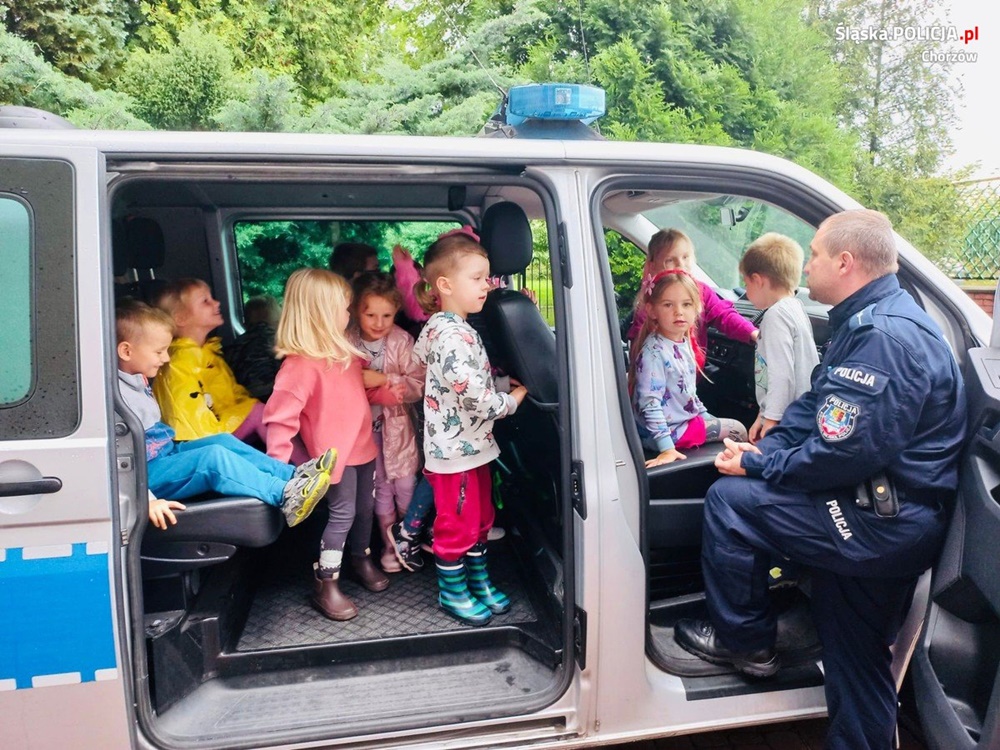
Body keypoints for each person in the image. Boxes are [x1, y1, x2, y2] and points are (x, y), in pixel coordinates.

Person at [673, 210, 967, 750]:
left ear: (846, 262)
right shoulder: (871, 320)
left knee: (731, 502)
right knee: (855, 656)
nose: (806, 266)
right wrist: (762, 448)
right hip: (878, 513)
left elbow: (839, 454)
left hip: (877, 524)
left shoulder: (886, 339)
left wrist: (757, 467)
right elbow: (815, 411)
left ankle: (748, 643)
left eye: (814, 255)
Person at [115, 300, 334, 530]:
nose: (167, 358)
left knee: (222, 441)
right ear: (126, 351)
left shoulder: (135, 380)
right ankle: (284, 494)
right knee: (212, 457)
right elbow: (116, 463)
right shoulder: (117, 400)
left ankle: (292, 475)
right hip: (144, 477)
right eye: (159, 352)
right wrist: (147, 501)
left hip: (164, 454)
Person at [264, 268, 393, 622]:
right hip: (334, 458)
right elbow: (280, 418)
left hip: (365, 447)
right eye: (344, 308)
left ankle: (361, 557)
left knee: (365, 510)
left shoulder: (345, 354)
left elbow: (358, 394)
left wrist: (391, 390)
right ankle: (327, 582)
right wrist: (276, 470)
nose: (349, 315)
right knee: (343, 514)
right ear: (320, 314)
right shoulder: (300, 366)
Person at [413, 232, 528, 626]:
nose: (488, 285)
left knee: (480, 520)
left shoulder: (456, 328)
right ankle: (453, 592)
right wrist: (513, 398)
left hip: (473, 446)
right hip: (454, 453)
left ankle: (478, 581)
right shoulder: (448, 336)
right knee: (456, 526)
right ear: (445, 285)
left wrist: (498, 385)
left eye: (488, 277)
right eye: (478, 278)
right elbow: (475, 399)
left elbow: (463, 382)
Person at [630, 270, 747, 467]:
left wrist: (707, 418)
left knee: (723, 424)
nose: (679, 312)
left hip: (678, 423)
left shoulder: (681, 342)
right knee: (739, 429)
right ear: (651, 310)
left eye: (686, 304)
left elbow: (687, 394)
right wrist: (667, 449)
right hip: (668, 433)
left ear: (697, 309)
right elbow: (649, 403)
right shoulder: (654, 353)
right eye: (668, 305)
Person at [349, 271, 425, 573]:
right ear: (357, 311)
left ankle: (407, 540)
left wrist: (385, 379)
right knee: (379, 485)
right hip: (363, 430)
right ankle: (388, 547)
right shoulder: (346, 341)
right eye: (370, 314)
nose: (379, 323)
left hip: (398, 428)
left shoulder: (402, 341)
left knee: (406, 482)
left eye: (387, 315)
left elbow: (418, 383)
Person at [151, 278, 267, 445]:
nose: (217, 303)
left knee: (265, 410)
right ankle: (298, 467)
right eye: (206, 301)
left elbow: (234, 396)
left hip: (219, 425)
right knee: (260, 413)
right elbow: (191, 421)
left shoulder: (206, 352)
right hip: (205, 439)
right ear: (181, 318)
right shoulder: (180, 362)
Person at [738, 233, 819, 442]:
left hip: (787, 420)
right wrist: (762, 415)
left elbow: (782, 375)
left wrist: (771, 422)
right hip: (800, 413)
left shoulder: (775, 316)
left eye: (746, 284)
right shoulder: (795, 307)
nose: (746, 292)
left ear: (757, 280)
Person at [627, 228, 757, 355]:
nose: (680, 264)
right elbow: (638, 347)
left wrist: (752, 333)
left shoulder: (701, 291)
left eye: (685, 257)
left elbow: (723, 315)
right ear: (653, 265)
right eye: (670, 260)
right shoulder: (651, 299)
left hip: (692, 372)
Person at [224, 295, 282, 401]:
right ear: (277, 320)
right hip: (276, 400)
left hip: (245, 404)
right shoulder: (282, 344)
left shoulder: (233, 347)